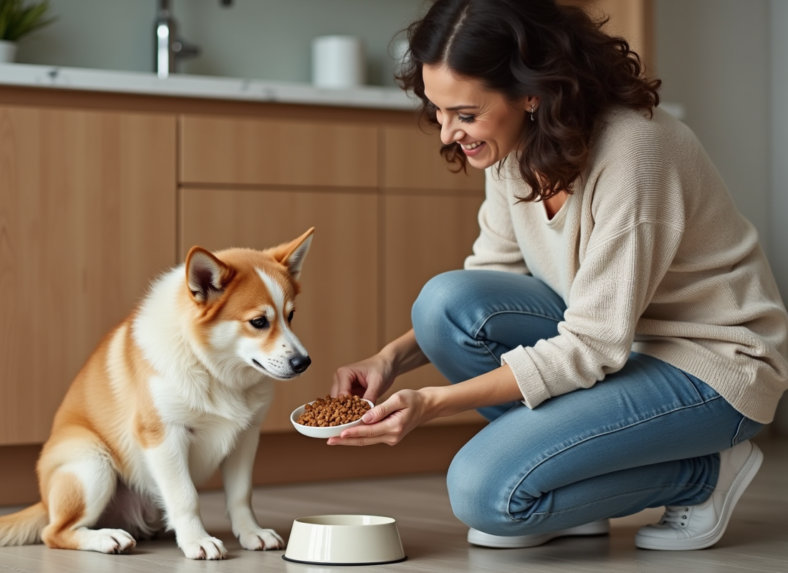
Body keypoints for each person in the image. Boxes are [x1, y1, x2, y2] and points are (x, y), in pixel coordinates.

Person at [327, 0, 788, 552]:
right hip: (614, 348)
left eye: (465, 114)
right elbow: (488, 283)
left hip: (708, 366)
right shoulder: (512, 148)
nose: (448, 133)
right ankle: (569, 478)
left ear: (531, 92)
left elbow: (593, 343)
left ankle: (703, 474)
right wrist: (390, 360)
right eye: (438, 110)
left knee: (485, 494)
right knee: (444, 304)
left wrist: (432, 403)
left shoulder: (634, 151)